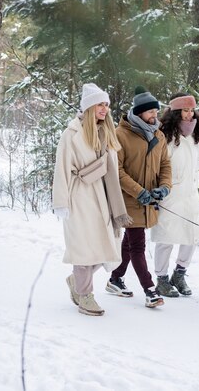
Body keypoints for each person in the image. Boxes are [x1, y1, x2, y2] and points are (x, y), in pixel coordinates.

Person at [52, 83, 132, 316]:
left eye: (106, 105)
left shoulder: (107, 132)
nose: (105, 109)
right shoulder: (72, 134)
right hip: (80, 196)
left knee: (108, 247)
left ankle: (77, 280)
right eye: (100, 104)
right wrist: (61, 202)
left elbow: (113, 170)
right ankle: (85, 295)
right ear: (89, 107)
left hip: (104, 197)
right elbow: (62, 168)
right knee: (84, 247)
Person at [105, 86, 172, 308]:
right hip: (128, 198)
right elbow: (117, 170)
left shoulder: (159, 135)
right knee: (137, 245)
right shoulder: (120, 134)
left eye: (156, 111)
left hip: (149, 200)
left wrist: (164, 187)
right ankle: (150, 290)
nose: (155, 115)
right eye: (150, 111)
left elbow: (165, 164)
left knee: (130, 241)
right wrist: (138, 191)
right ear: (139, 112)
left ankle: (115, 279)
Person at [150, 92, 199, 297]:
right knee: (166, 237)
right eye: (185, 110)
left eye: (192, 110)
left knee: (192, 236)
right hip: (170, 195)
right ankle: (162, 279)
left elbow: (197, 167)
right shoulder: (165, 136)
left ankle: (179, 274)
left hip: (191, 195)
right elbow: (156, 166)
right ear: (175, 112)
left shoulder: (195, 136)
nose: (189, 114)